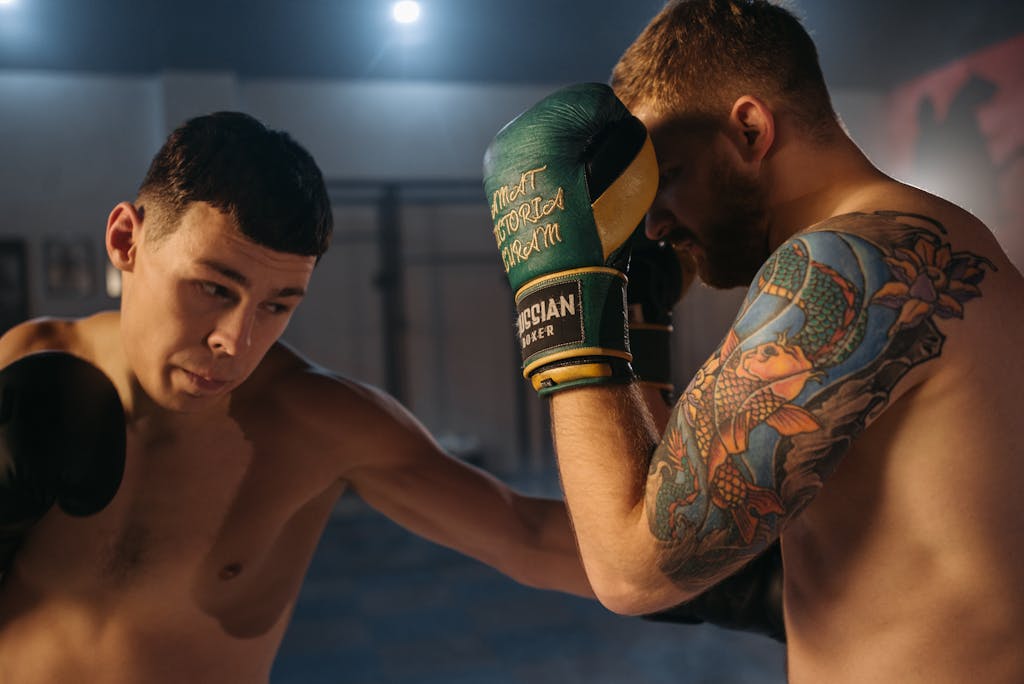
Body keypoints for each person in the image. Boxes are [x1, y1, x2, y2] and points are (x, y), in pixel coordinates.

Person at [482, 1, 1024, 682]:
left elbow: (627, 571)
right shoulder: (929, 230)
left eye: (667, 175)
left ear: (748, 128)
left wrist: (559, 293)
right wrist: (637, 317)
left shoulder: (849, 258)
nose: (652, 226)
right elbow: (659, 496)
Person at [0, 111, 600, 683]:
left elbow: (526, 535)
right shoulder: (23, 361)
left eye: (277, 305)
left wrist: (692, 555)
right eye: (213, 287)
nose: (235, 342)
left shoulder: (316, 422)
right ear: (126, 239)